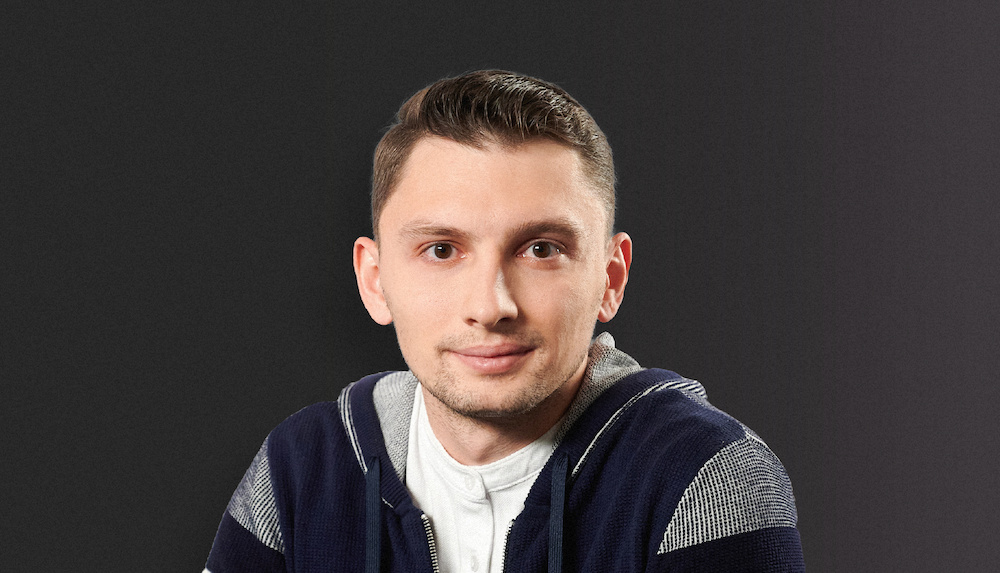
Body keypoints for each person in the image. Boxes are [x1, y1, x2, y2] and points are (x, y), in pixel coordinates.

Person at [204, 70, 804, 572]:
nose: (492, 306)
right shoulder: (301, 469)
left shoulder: (704, 478)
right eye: (441, 250)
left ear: (610, 278)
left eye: (541, 249)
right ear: (375, 280)